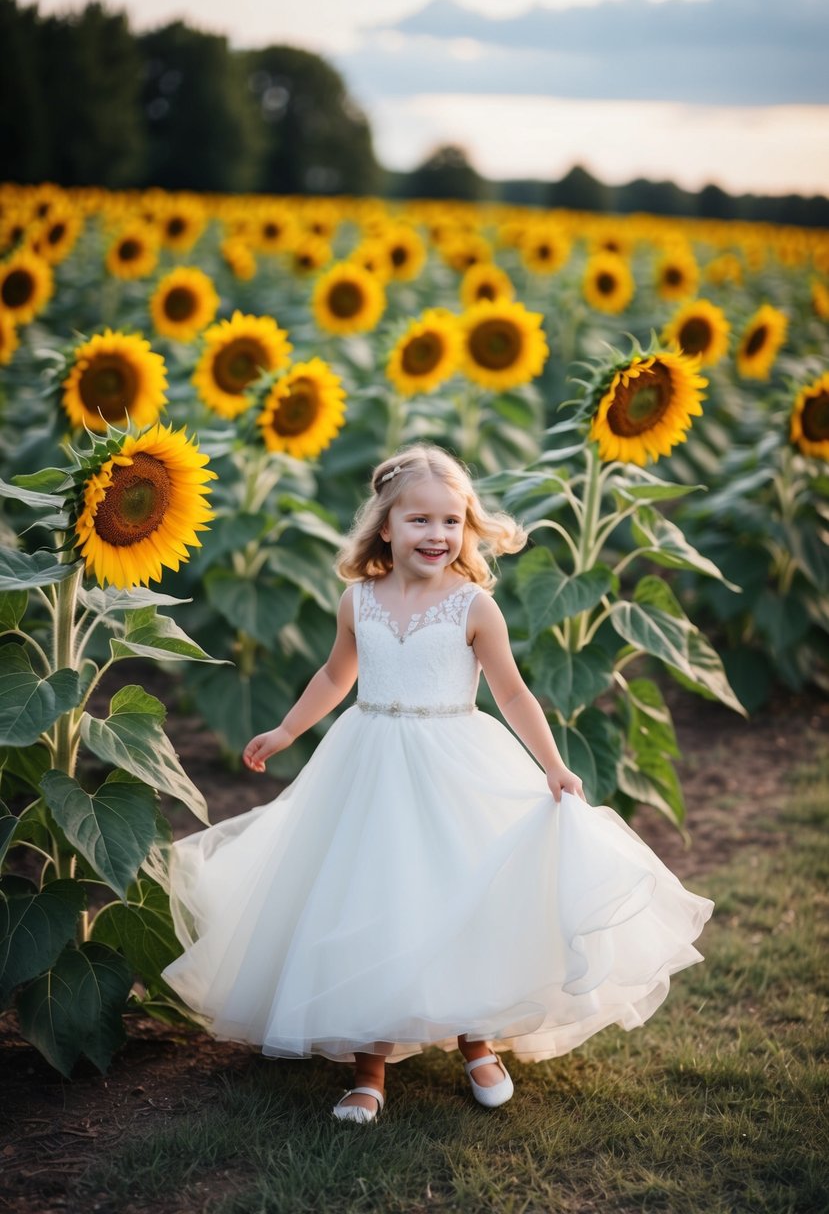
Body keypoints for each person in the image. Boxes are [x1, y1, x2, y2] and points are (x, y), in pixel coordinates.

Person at [160, 443, 714, 1125]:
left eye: (450, 521)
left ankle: (476, 1041)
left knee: (461, 895)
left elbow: (511, 695)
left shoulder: (473, 607)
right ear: (385, 526)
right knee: (371, 899)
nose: (436, 535)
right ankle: (369, 1067)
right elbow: (337, 675)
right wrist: (285, 731)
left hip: (456, 759)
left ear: (467, 529)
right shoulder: (357, 600)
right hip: (368, 760)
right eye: (419, 520)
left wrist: (552, 763)